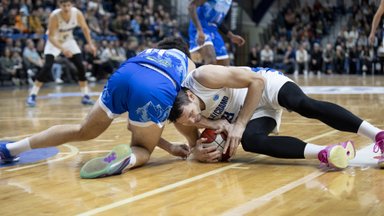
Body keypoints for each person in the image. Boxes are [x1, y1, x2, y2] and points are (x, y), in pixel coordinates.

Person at [0, 37, 196, 179]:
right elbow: (183, 113)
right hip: (156, 85)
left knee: (83, 130)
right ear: (185, 52)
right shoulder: (188, 63)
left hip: (124, 74)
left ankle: (11, 149)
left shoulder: (149, 52)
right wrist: (192, 145)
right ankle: (126, 160)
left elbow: (132, 123)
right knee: (142, 148)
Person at [167, 65, 384, 168]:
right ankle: (325, 153)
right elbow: (196, 145)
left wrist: (240, 124)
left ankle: (378, 136)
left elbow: (256, 82)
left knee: (303, 104)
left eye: (194, 115)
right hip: (255, 112)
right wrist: (198, 153)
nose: (194, 121)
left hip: (265, 84)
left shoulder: (203, 77)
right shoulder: (182, 118)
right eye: (188, 121)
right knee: (251, 142)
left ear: (190, 95)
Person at [26, 0, 97, 107]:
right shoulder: (54, 16)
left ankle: (86, 96)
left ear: (71, 5)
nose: (67, 8)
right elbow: (50, 37)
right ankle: (32, 95)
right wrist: (63, 50)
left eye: (69, 5)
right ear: (60, 5)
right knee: (47, 67)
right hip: (54, 41)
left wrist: (90, 44)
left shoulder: (77, 13)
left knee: (81, 66)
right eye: (64, 5)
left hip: (68, 40)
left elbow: (85, 28)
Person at [188, 0, 245, 66]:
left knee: (225, 65)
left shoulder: (228, 2)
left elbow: (217, 21)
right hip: (201, 28)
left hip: (213, 31)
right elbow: (191, 6)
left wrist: (231, 36)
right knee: (211, 59)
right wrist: (199, 30)